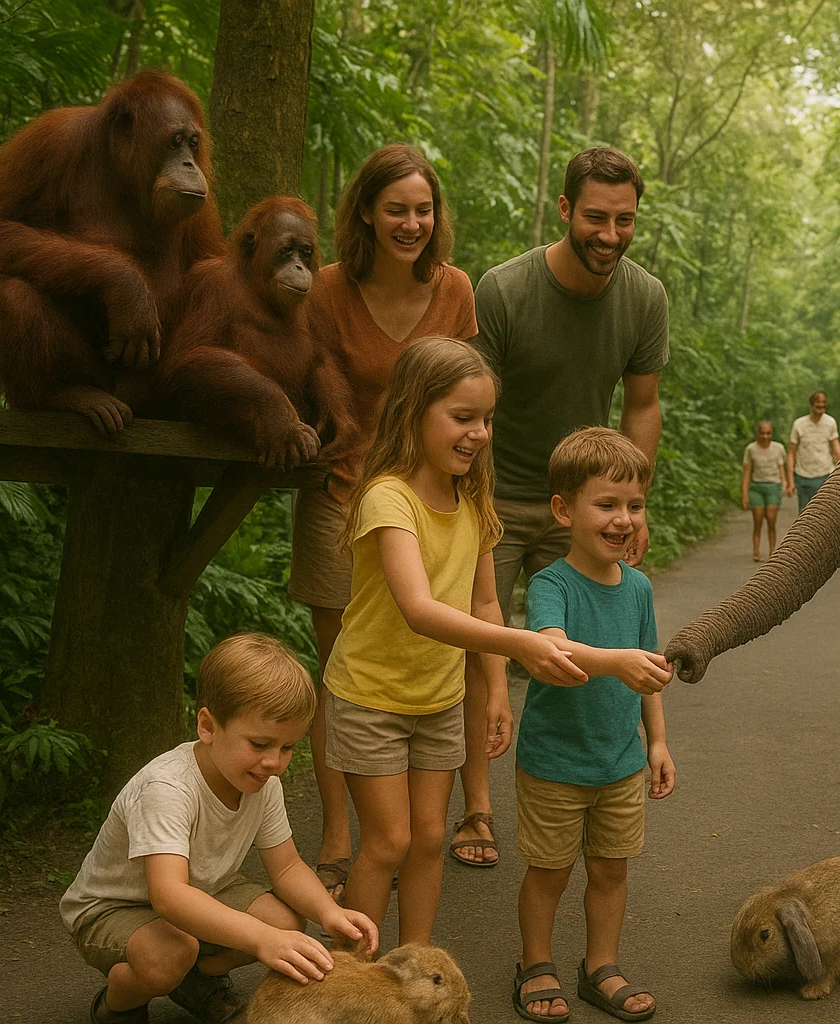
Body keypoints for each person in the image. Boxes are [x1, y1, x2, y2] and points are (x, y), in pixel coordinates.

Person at [323, 336, 587, 947]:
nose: (480, 434)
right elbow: (418, 609)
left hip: (439, 699)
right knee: (388, 841)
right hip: (370, 694)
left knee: (432, 838)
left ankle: (414, 965)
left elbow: (484, 600)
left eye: (488, 419)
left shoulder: (473, 499)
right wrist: (521, 645)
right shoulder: (389, 498)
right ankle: (348, 975)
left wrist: (494, 686)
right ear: (414, 412)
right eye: (463, 418)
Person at [288, 143, 502, 887]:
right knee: (343, 668)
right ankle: (342, 834)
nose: (411, 222)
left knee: (450, 639)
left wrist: (473, 482)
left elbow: (467, 394)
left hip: (437, 499)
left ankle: (462, 808)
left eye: (423, 209)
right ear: (367, 214)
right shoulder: (325, 290)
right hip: (345, 493)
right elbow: (305, 379)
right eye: (396, 209)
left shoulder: (455, 291)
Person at [465, 145, 668, 865]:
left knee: (580, 646)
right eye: (595, 218)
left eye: (625, 220)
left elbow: (642, 405)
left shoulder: (644, 297)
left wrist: (632, 505)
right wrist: (472, 506)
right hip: (495, 493)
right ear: (563, 210)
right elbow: (472, 407)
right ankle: (477, 808)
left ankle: (583, 786)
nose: (609, 235)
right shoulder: (504, 289)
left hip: (580, 505)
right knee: (482, 646)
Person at [60, 634, 380, 1024]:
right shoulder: (167, 788)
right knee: (169, 955)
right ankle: (119, 1003)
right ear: (209, 726)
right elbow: (170, 896)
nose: (274, 763)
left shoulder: (262, 783)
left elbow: (287, 868)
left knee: (287, 922)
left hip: (202, 889)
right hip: (115, 907)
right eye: (260, 743)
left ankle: (193, 980)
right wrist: (261, 940)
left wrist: (329, 913)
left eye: (287, 747)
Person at [512, 427, 675, 1023]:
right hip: (557, 762)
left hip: (620, 762)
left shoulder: (638, 588)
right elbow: (553, 652)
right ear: (563, 510)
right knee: (550, 871)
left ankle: (599, 965)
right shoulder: (551, 583)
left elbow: (649, 670)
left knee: (610, 869)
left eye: (634, 506)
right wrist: (616, 663)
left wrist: (656, 741)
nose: (623, 519)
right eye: (606, 505)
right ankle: (536, 963)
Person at [740, 419, 788, 561]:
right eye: (762, 433)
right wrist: (744, 495)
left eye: (768, 433)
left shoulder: (778, 448)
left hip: (773, 486)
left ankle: (773, 551)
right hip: (757, 487)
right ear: (757, 433)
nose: (765, 436)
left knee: (771, 519)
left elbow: (781, 468)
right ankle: (756, 551)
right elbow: (747, 473)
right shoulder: (751, 449)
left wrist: (785, 483)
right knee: (758, 519)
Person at [787, 390, 840, 511]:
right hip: (803, 477)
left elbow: (836, 450)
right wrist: (790, 482)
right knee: (805, 515)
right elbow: (791, 453)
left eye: (823, 402)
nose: (821, 405)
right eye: (818, 402)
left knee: (826, 513)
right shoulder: (799, 424)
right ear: (811, 404)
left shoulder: (830, 422)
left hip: (825, 476)